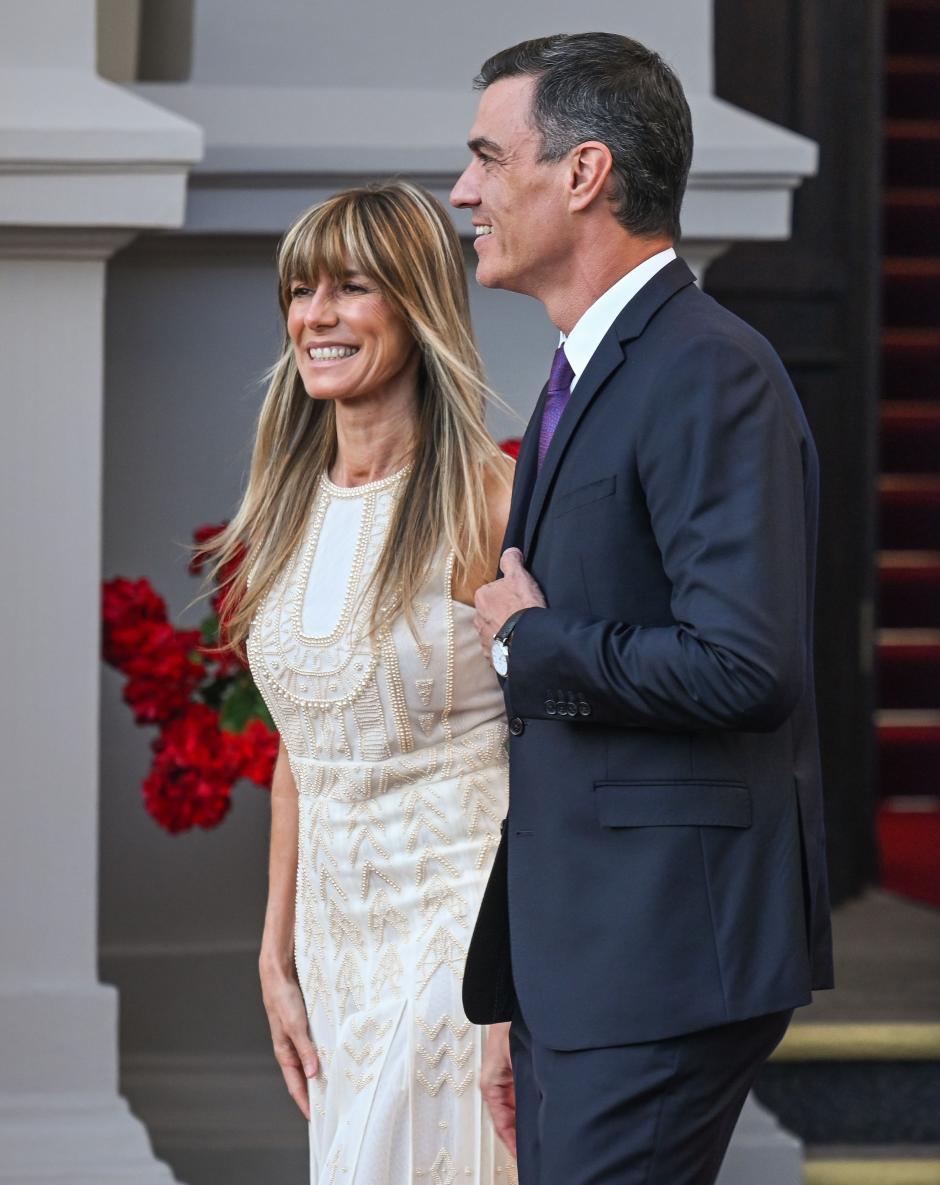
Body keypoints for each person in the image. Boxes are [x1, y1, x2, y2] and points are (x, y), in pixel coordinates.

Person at [450, 32, 834, 1185]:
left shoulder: (705, 369)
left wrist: (530, 641)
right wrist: (532, 993)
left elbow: (741, 664)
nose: (463, 190)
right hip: (590, 961)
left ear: (583, 174)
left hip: (660, 958)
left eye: (485, 156)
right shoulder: (592, 367)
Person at [207, 181, 517, 1183]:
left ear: (418, 305)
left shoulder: (491, 501)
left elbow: (561, 740)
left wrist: (520, 976)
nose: (316, 317)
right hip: (335, 939)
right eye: (301, 291)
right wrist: (275, 955)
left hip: (464, 927)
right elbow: (299, 754)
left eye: (351, 288)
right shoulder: (283, 513)